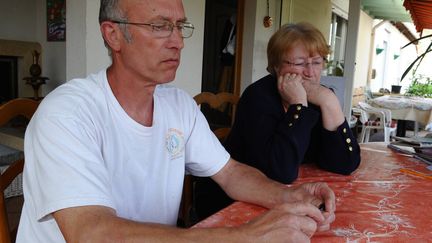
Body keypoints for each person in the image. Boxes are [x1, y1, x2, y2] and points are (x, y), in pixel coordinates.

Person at [16, 2, 336, 242]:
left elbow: (231, 173)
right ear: (113, 34)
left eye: (180, 26)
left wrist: (289, 196)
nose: (178, 41)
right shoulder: (67, 114)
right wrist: (244, 236)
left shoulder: (178, 105)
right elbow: (91, 232)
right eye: (159, 26)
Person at [224, 22, 361, 184]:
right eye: (299, 63)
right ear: (276, 66)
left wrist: (330, 102)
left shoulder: (319, 97)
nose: (310, 73)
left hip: (297, 195)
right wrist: (298, 106)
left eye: (317, 62)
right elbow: (280, 174)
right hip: (240, 199)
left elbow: (345, 164)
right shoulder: (257, 98)